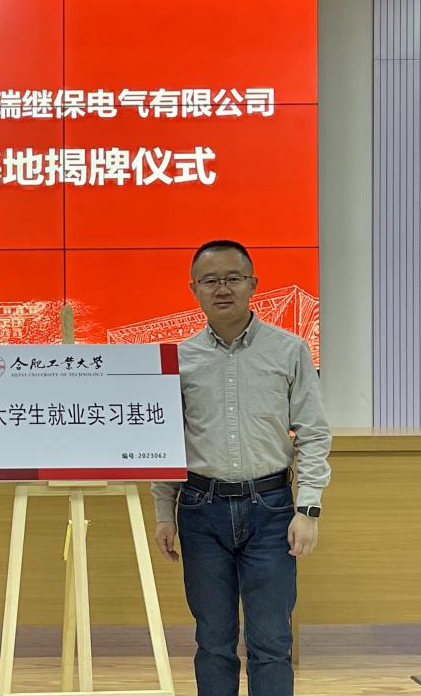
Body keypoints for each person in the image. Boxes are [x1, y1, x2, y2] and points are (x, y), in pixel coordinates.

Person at [151, 239, 332, 696]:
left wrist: (308, 509)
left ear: (253, 284)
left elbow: (312, 433)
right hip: (200, 510)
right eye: (210, 280)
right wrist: (163, 513)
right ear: (193, 289)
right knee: (213, 642)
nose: (222, 288)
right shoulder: (178, 359)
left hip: (271, 509)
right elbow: (165, 443)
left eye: (233, 278)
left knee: (271, 641)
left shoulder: (289, 349)